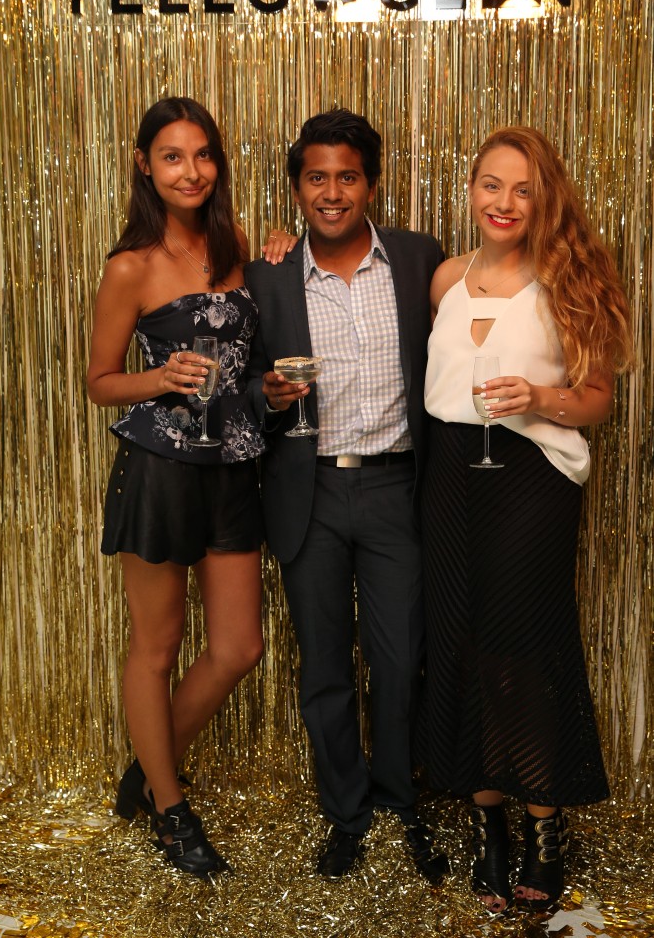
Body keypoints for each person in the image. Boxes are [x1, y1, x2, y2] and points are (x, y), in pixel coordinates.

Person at [416, 126, 634, 913]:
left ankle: (545, 827)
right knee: (460, 639)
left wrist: (540, 398)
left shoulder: (571, 280)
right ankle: (489, 829)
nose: (504, 202)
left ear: (547, 199)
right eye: (491, 184)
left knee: (523, 649)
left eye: (523, 189)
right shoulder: (446, 278)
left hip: (532, 480)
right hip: (450, 476)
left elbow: (597, 401)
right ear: (471, 189)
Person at [87, 97, 292, 877]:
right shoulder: (130, 267)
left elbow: (251, 355)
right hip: (161, 470)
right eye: (172, 157)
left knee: (239, 646)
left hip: (234, 464)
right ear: (145, 166)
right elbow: (100, 383)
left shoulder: (235, 246)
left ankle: (150, 767)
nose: (191, 171)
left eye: (203, 154)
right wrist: (159, 377)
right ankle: (171, 813)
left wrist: (284, 250)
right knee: (159, 645)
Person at [245, 109, 450, 881]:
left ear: (372, 183)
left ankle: (400, 801)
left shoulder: (418, 257)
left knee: (400, 661)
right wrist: (267, 396)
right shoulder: (267, 273)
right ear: (297, 188)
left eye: (348, 177)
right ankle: (346, 814)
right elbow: (240, 382)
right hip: (310, 490)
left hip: (398, 485)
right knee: (325, 665)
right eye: (316, 178)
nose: (332, 192)